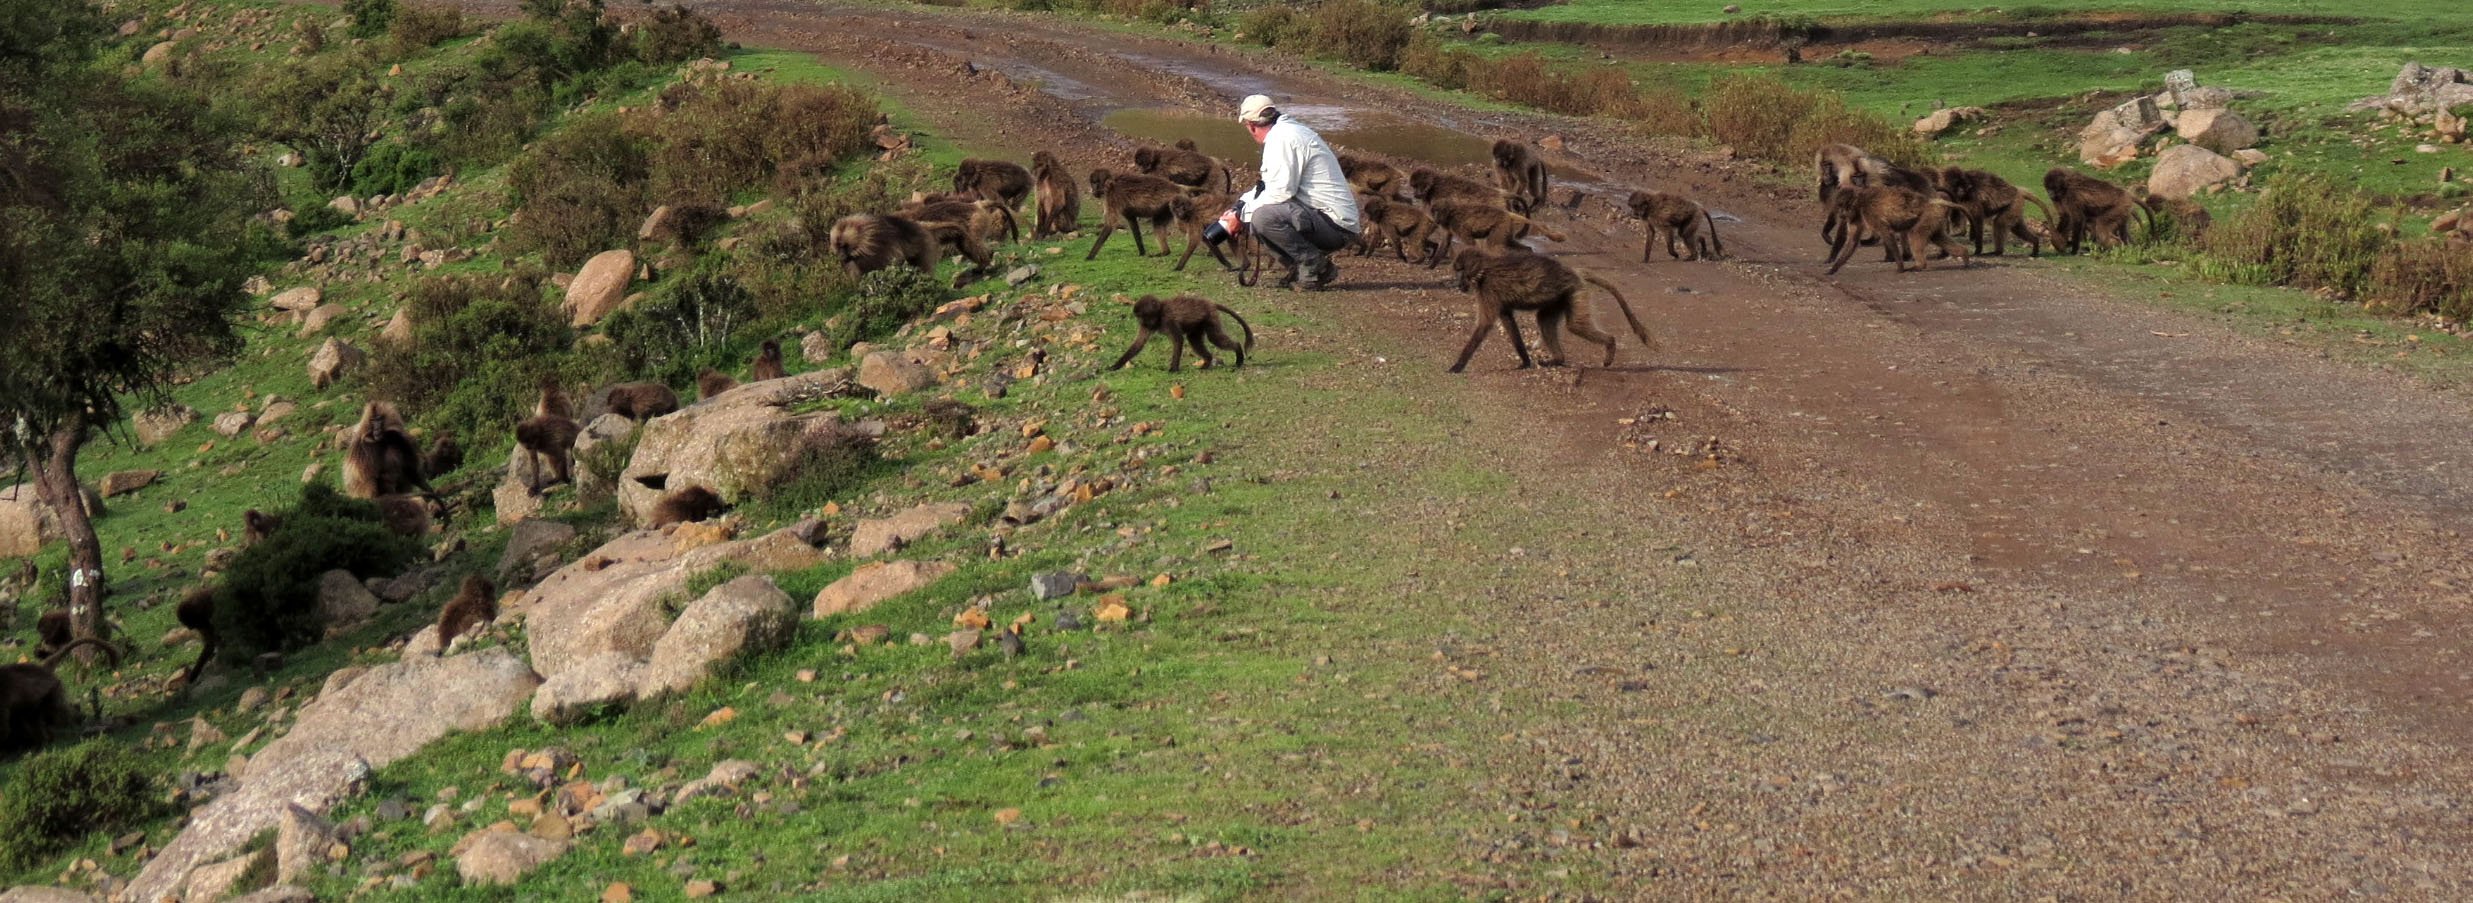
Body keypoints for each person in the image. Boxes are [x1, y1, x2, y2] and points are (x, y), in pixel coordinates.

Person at [1222, 94, 1360, 291]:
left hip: (1336, 226)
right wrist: (1238, 208)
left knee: (1262, 217)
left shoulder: (1283, 140)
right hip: (1326, 218)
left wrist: (1241, 216)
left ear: (1251, 126)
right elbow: (1266, 186)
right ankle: (1301, 269)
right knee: (1255, 213)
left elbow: (1280, 192)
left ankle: (1314, 266)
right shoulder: (1286, 133)